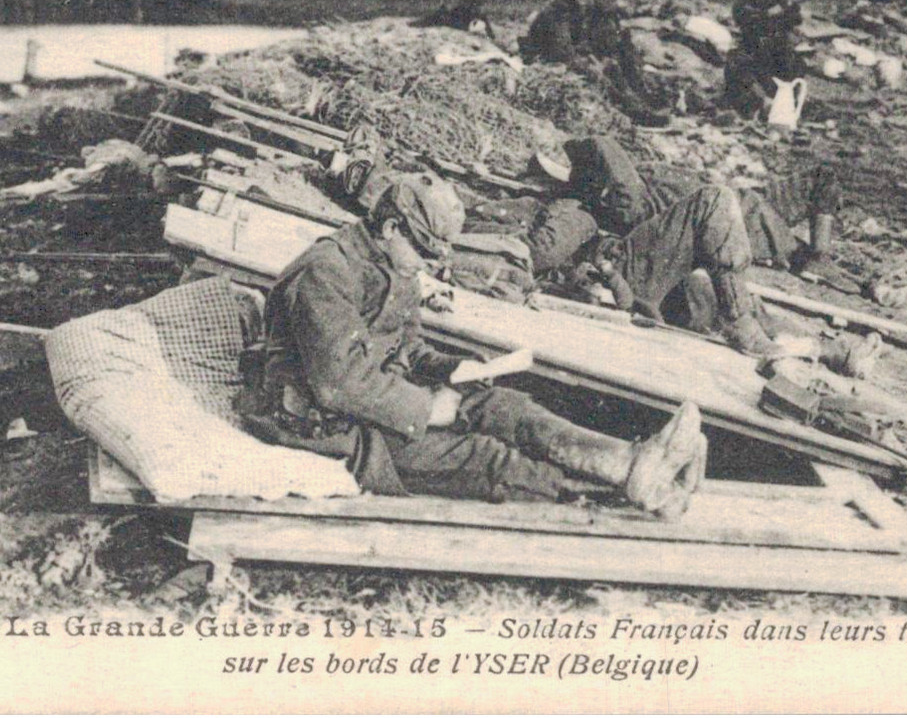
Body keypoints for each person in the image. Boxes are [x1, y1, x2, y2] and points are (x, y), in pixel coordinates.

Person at [248, 171, 707, 519]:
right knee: (488, 459)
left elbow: (408, 348)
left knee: (505, 407)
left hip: (377, 405)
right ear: (390, 229)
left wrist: (455, 368)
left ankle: (631, 461)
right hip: (325, 428)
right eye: (425, 252)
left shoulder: (396, 265)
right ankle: (636, 490)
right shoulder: (327, 272)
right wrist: (431, 409)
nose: (429, 265)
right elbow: (337, 385)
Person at [508, 137, 805, 356]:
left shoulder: (622, 207)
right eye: (615, 191)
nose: (624, 200)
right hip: (620, 275)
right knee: (714, 200)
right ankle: (741, 323)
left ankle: (832, 349)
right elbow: (540, 253)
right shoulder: (574, 212)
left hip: (640, 277)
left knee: (714, 293)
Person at [519, 0, 671, 126]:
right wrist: (590, 64)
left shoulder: (574, 9)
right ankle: (633, 113)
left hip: (564, 56)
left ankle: (640, 107)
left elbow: (581, 42)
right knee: (597, 75)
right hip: (545, 60)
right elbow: (562, 51)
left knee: (612, 67)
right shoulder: (557, 12)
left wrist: (594, 58)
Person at [727, 0, 803, 112]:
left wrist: (783, 13)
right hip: (755, 43)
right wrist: (767, 14)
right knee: (741, 68)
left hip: (778, 45)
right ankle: (763, 101)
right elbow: (740, 16)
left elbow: (796, 18)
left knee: (793, 68)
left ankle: (787, 103)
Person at [413, 0, 495, 40]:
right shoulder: (459, 12)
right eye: (479, 3)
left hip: (454, 24)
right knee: (440, 17)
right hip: (451, 25)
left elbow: (490, 35)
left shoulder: (478, 15)